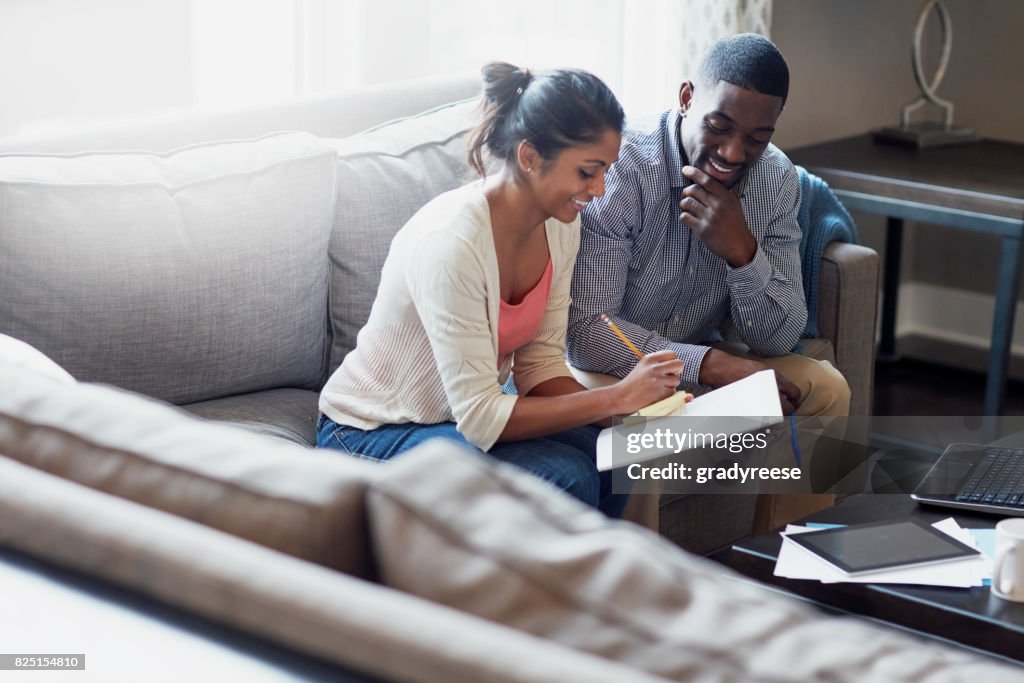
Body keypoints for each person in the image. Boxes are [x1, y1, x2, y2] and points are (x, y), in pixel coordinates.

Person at [317, 62, 684, 518]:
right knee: (564, 476)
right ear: (530, 157)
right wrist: (615, 397)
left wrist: (639, 417)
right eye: (588, 171)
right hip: (373, 426)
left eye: (605, 170)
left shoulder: (560, 225)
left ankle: (581, 588)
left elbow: (540, 367)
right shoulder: (452, 244)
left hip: (455, 417)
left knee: (613, 456)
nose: (599, 188)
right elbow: (481, 416)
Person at [566, 34, 849, 529]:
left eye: (757, 138)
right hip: (607, 368)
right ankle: (644, 591)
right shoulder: (624, 167)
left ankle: (789, 570)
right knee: (649, 428)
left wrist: (743, 252)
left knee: (825, 387)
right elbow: (589, 334)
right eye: (719, 126)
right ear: (686, 98)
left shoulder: (775, 179)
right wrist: (713, 365)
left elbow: (779, 339)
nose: (734, 152)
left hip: (694, 363)